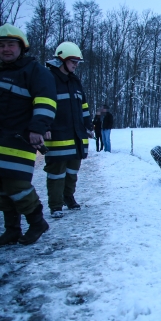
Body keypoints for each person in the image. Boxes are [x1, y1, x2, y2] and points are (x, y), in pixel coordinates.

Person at [0, 23, 56, 245]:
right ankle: (12, 229)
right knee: (2, 187)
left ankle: (37, 223)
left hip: (19, 139)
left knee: (17, 185)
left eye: (11, 45)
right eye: (2, 45)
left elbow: (46, 101)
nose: (6, 49)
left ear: (21, 48)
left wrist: (37, 128)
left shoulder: (34, 71)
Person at [44, 42, 93, 218]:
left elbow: (84, 106)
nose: (75, 65)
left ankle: (68, 197)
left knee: (73, 170)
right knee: (57, 172)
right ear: (61, 59)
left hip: (76, 134)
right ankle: (55, 205)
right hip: (57, 134)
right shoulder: (48, 79)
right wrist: (45, 126)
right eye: (73, 61)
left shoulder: (75, 81)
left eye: (77, 62)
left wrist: (88, 124)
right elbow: (42, 105)